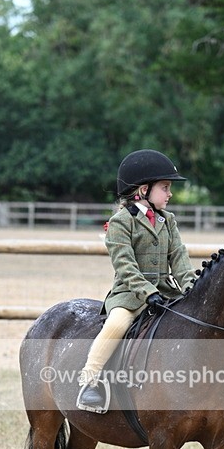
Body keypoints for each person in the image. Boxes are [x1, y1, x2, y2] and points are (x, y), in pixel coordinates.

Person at [77, 149, 196, 412]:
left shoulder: (168, 220)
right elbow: (125, 265)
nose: (170, 193)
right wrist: (147, 292)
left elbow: (179, 259)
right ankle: (90, 381)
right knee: (116, 325)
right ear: (143, 190)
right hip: (130, 295)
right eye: (165, 187)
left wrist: (192, 289)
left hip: (165, 293)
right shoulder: (120, 222)